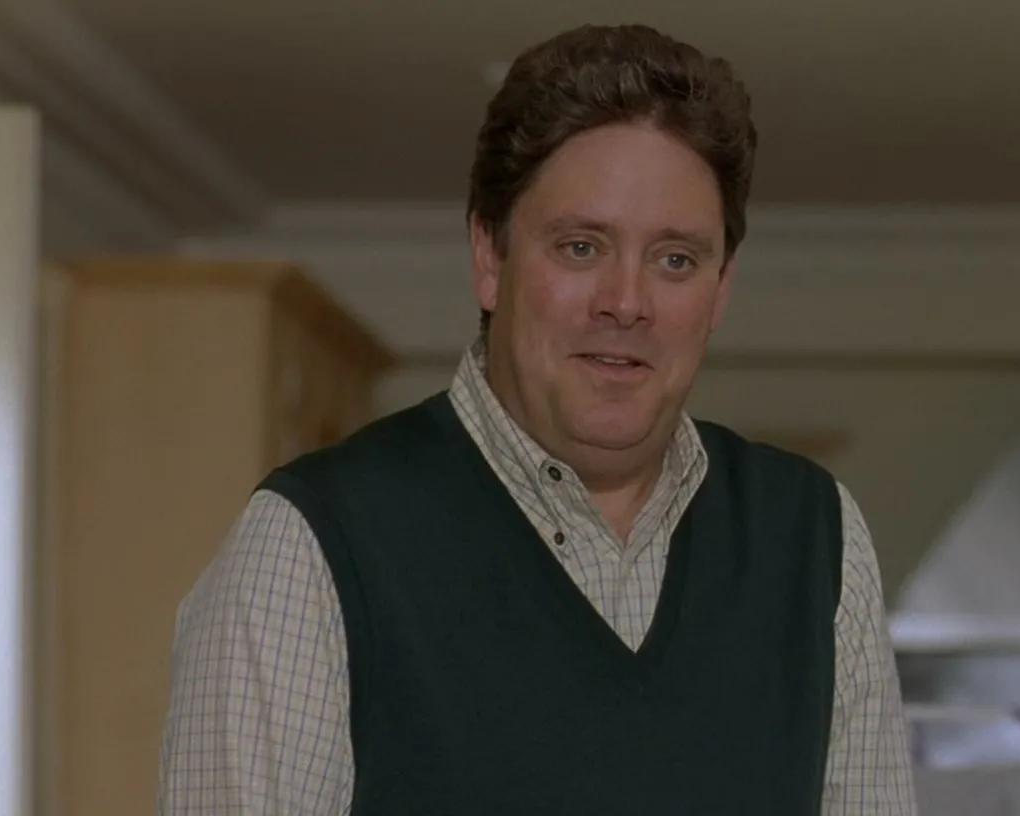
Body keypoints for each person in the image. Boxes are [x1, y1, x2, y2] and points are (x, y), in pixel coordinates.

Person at [157, 23, 918, 815]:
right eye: (582, 247)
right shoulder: (311, 545)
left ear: (720, 288)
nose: (626, 302)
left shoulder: (816, 541)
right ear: (489, 257)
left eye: (675, 259)